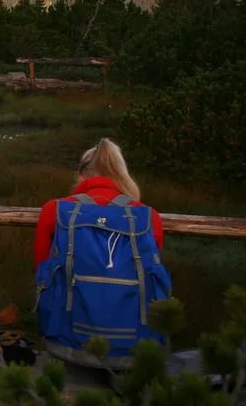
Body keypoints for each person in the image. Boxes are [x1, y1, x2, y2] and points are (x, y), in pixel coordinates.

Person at [34, 138, 171, 369]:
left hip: (66, 346)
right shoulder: (148, 217)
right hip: (134, 352)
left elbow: (41, 269)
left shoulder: (54, 211)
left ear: (81, 176)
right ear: (120, 175)